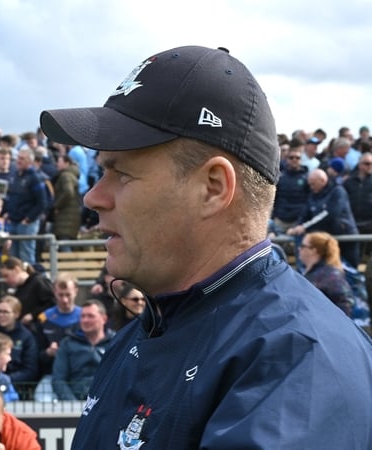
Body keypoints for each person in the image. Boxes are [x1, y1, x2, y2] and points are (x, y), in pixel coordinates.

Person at [39, 45, 372, 448]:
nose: (93, 197)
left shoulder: (297, 356)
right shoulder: (141, 334)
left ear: (213, 188)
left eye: (121, 173)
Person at [287, 168, 360, 268]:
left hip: (345, 238)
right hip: (326, 239)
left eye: (313, 184)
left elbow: (329, 214)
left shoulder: (338, 191)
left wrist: (304, 227)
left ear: (322, 180)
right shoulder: (313, 195)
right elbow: (305, 215)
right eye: (310, 184)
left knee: (350, 270)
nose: (311, 187)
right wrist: (296, 227)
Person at [52, 299, 113, 401]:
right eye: (82, 316)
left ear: (104, 319)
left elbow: (122, 378)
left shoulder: (116, 342)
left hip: (107, 402)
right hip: (74, 402)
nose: (85, 320)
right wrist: (72, 404)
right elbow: (59, 379)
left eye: (90, 316)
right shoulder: (67, 343)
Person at [298, 232, 354, 317]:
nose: (299, 249)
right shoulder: (310, 272)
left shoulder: (331, 276)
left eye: (302, 246)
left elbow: (345, 304)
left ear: (313, 250)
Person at [0, 257, 55, 330]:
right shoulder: (18, 290)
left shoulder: (38, 282)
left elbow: (53, 303)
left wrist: (33, 315)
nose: (5, 280)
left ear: (16, 269)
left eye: (7, 276)